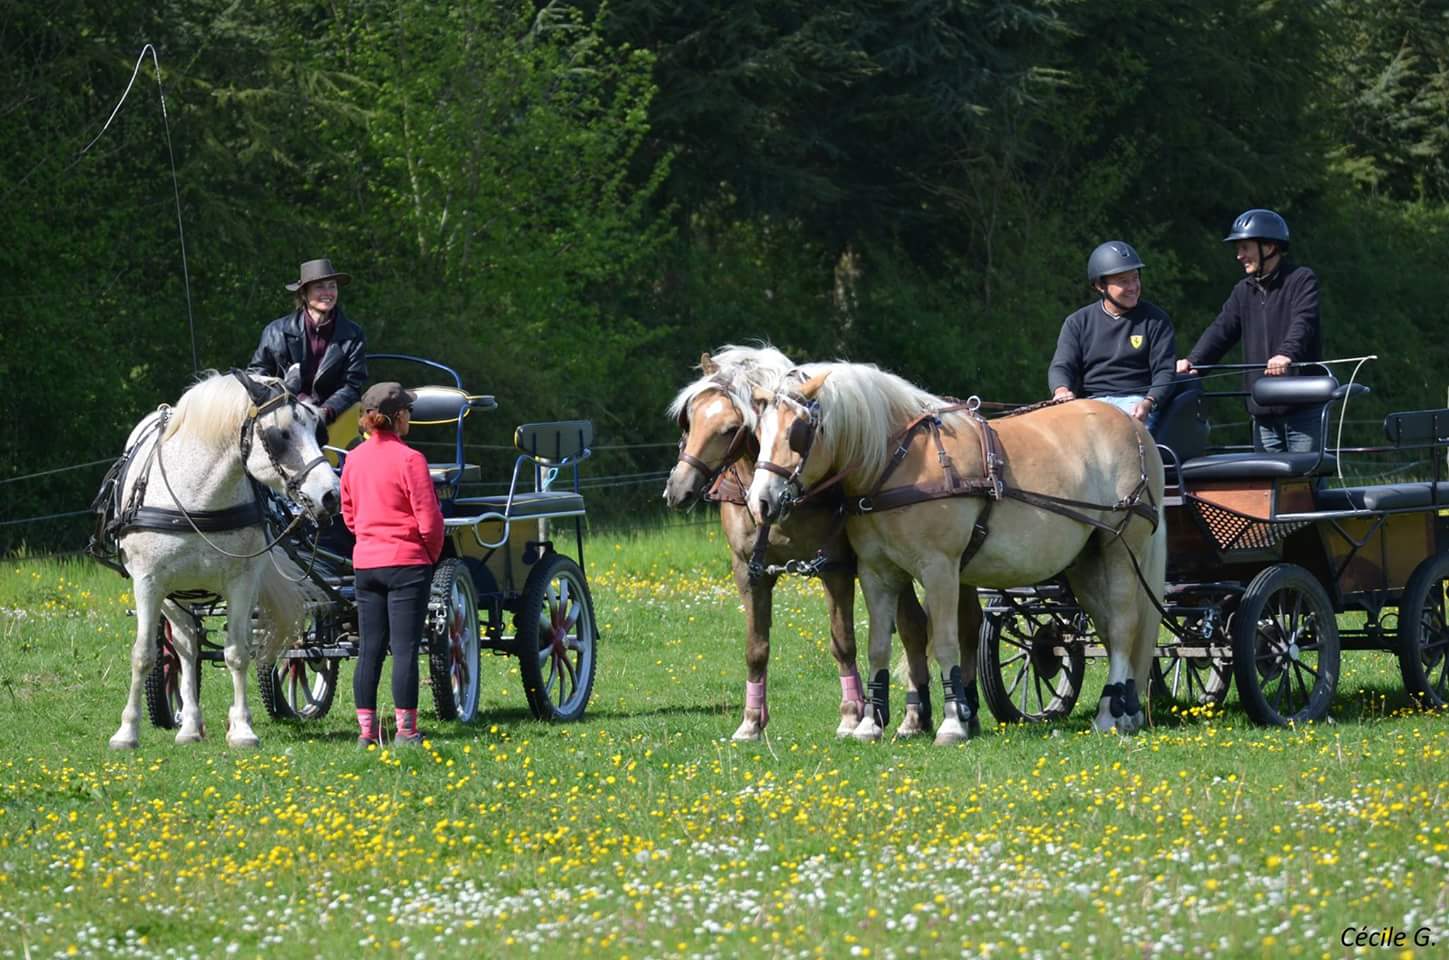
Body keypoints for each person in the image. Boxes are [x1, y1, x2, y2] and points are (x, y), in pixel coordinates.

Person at [340, 382, 444, 747]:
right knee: (404, 650)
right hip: (406, 562)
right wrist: (429, 554)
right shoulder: (411, 460)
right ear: (398, 416)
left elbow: (349, 516)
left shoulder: (352, 459)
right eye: (409, 412)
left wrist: (369, 539)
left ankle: (367, 733)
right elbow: (429, 520)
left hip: (366, 564)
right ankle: (405, 731)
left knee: (369, 649)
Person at [1176, 209, 1323, 452]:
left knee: (1307, 485)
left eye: (1245, 248)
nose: (1239, 256)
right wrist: (1194, 362)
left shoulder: (1301, 280)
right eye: (1238, 249)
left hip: (1302, 411)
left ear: (1269, 247)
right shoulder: (1242, 291)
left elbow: (1304, 322)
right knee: (1266, 489)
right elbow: (1221, 331)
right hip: (1262, 412)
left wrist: (1286, 354)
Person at [1048, 240, 1176, 432]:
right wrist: (1061, 390)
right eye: (1124, 281)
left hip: (1136, 403)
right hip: (1090, 404)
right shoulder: (1077, 322)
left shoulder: (1156, 320)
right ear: (1100, 285)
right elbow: (1062, 365)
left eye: (1135, 278)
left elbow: (1165, 371)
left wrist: (1149, 402)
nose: (1133, 287)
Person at [248, 258, 368, 433]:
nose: (328, 292)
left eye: (332, 286)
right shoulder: (276, 331)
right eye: (320, 286)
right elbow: (257, 377)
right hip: (283, 421)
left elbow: (352, 385)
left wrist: (324, 412)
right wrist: (287, 405)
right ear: (303, 293)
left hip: (333, 421)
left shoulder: (354, 334)